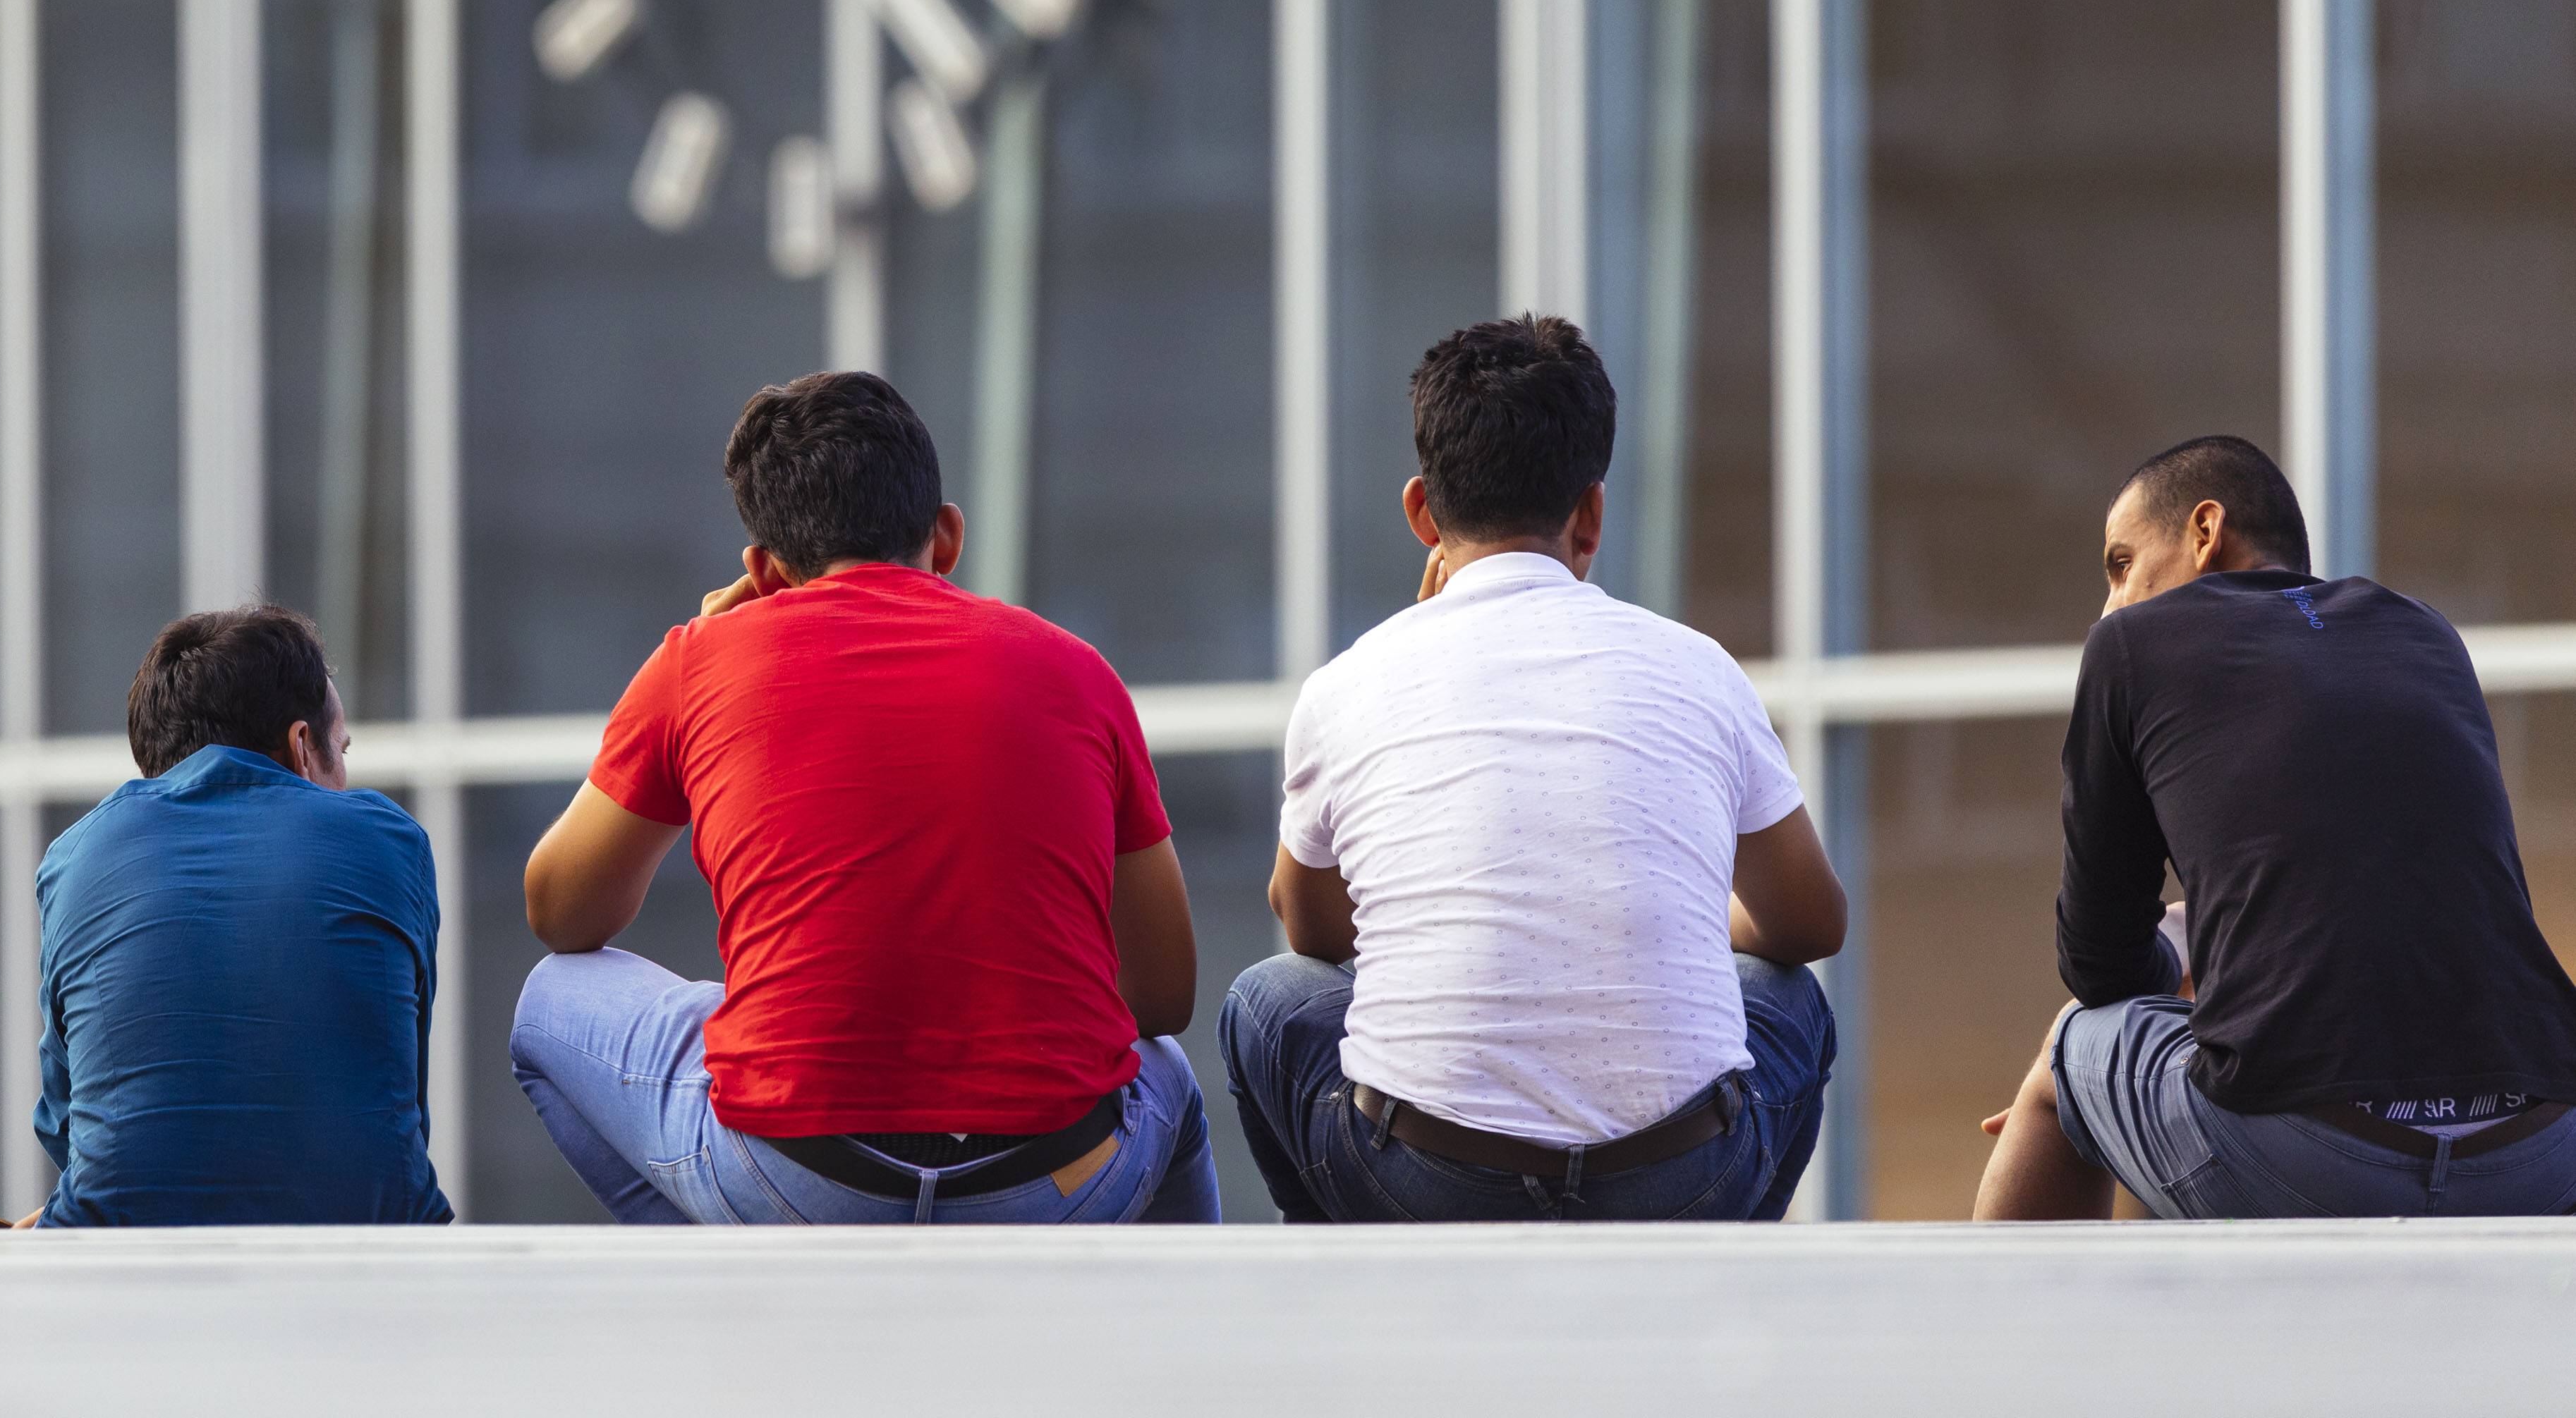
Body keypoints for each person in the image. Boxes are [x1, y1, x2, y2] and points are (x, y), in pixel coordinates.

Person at [511, 369, 1217, 1225]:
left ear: (763, 568)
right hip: (1052, 1182)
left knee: (553, 998)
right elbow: (1163, 996)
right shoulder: (1076, 668)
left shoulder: (699, 660)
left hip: (796, 1179)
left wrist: (693, 658)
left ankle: (739, 1286)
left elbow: (561, 915)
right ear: (947, 535)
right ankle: (1170, 1336)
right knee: (1165, 1072)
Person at [1220, 315, 1849, 1223]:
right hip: (1679, 1175)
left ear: (1420, 512)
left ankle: (1354, 1280)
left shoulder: (1346, 683)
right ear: (1589, 512)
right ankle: (1722, 1263)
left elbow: (1313, 934)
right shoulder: (1697, 666)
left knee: (1265, 999)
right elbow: (1809, 923)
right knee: (1780, 994)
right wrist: (1666, 907)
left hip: (1424, 1178)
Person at [1972, 436, 2576, 1219]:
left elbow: (2098, 965)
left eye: (2120, 563)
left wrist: (2180, 943)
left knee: (2072, 1046)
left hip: (2313, 1153)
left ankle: (2006, 1343)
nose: (2110, 602)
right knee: (2210, 1055)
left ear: (2204, 529)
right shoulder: (2425, 632)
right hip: (2539, 1146)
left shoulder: (2131, 642)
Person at [27, 606, 450, 1227]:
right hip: (369, 1257)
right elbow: (394, 1103)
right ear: (304, 746)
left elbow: (62, 1119)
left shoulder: (74, 858)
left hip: (117, 1264)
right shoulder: (390, 839)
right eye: (342, 747)